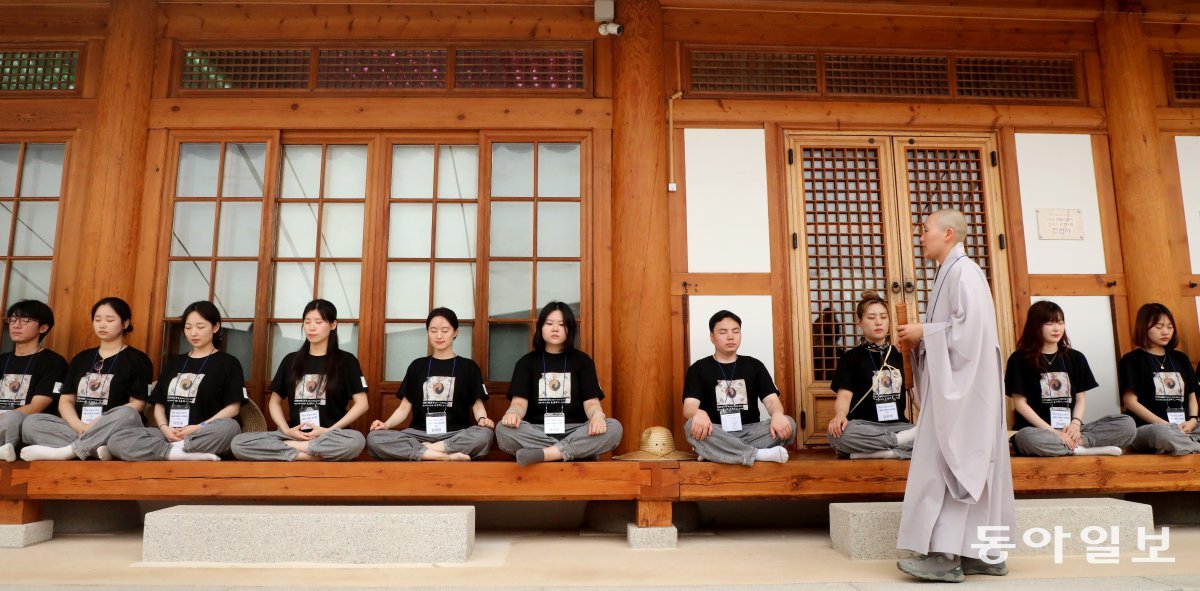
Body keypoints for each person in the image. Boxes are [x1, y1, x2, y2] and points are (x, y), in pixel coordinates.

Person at [894, 209, 1016, 582]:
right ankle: (981, 552)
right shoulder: (951, 273)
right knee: (968, 461)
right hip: (959, 389)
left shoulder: (964, 272)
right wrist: (921, 338)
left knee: (953, 462)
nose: (921, 236)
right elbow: (958, 330)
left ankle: (947, 556)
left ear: (948, 234)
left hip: (966, 394)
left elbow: (969, 335)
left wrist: (923, 332)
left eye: (926, 230)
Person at [231, 299, 367, 461]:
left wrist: (328, 430)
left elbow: (362, 403)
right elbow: (274, 402)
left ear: (333, 325)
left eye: (318, 321)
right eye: (307, 321)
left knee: (356, 441)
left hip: (331, 436)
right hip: (295, 435)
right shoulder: (291, 360)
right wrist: (287, 431)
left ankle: (293, 452)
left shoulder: (346, 361)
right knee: (239, 443)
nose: (311, 327)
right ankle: (313, 455)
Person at [107, 301, 244, 461]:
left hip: (203, 432)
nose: (193, 333)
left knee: (230, 428)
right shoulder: (175, 362)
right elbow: (159, 404)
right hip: (168, 434)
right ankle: (180, 453)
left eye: (200, 327)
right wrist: (164, 428)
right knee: (117, 439)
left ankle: (173, 451)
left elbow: (233, 409)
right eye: (188, 327)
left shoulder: (229, 363)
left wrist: (198, 427)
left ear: (215, 327)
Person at [20, 297, 153, 461]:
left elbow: (138, 404)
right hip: (79, 428)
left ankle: (69, 451)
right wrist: (79, 425)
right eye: (97, 320)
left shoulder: (138, 359)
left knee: (127, 412)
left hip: (114, 429)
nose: (102, 324)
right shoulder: (81, 358)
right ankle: (96, 448)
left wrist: (99, 424)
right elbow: (66, 400)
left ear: (125, 324)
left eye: (109, 320)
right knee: (31, 422)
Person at [495, 301, 622, 467]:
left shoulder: (582, 361)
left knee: (614, 427)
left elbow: (591, 402)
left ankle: (547, 454)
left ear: (570, 329)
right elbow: (519, 403)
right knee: (502, 429)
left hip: (575, 430)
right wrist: (512, 413)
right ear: (541, 327)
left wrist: (597, 415)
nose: (555, 329)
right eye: (549, 324)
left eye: (562, 325)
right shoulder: (526, 363)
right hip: (537, 431)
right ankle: (573, 452)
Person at [1007, 301, 1134, 457]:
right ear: (1035, 326)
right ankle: (1085, 448)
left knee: (1127, 424)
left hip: (1072, 431)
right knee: (1026, 438)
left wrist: (1075, 425)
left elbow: (1080, 399)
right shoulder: (1019, 359)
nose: (1057, 328)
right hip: (1038, 431)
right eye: (1049, 323)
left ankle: (1077, 445)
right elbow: (1020, 404)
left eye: (1060, 323)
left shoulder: (1075, 357)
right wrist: (1053, 432)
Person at [367, 308, 494, 461]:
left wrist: (482, 420)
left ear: (455, 332)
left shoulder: (468, 367)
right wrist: (386, 425)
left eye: (445, 330)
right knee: (374, 438)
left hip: (455, 434)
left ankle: (428, 451)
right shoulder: (417, 366)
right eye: (433, 330)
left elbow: (478, 406)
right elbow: (403, 408)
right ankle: (444, 457)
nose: (438, 336)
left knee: (485, 435)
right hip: (418, 434)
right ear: (428, 332)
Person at [682, 310, 796, 465]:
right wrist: (698, 412)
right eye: (723, 332)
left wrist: (777, 413)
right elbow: (689, 407)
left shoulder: (754, 365)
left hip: (751, 430)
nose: (730, 337)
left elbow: (771, 401)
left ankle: (717, 453)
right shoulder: (698, 368)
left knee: (789, 423)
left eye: (735, 331)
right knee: (691, 426)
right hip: (716, 430)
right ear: (712, 336)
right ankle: (758, 454)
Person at [827, 291, 916, 460]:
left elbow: (916, 391)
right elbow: (844, 396)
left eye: (883, 317)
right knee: (837, 436)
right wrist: (839, 415)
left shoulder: (901, 355)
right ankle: (897, 447)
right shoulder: (850, 358)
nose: (878, 322)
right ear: (859, 322)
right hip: (864, 427)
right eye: (871, 317)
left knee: (934, 434)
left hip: (898, 426)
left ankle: (877, 453)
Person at [1119, 303, 1200, 454]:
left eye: (1170, 327)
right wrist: (1167, 426)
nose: (1165, 331)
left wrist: (1193, 420)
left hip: (1185, 426)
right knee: (1162, 434)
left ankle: (1184, 445)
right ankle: (1190, 445)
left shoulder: (1180, 358)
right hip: (1150, 427)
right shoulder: (1132, 360)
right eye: (1159, 327)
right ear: (1144, 327)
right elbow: (1130, 402)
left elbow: (1192, 395)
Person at [0, 300, 68, 462]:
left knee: (14, 418)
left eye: (25, 320)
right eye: (13, 320)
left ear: (43, 328)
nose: (16, 325)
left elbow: (38, 406)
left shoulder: (54, 362)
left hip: (26, 429)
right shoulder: (2, 360)